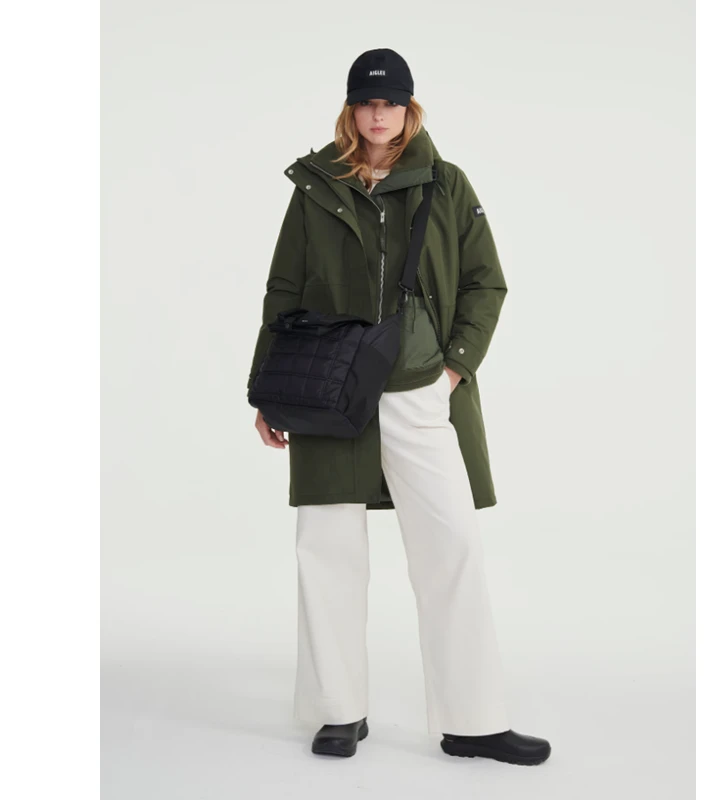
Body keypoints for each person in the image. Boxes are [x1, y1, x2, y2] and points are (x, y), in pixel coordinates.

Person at [248, 48, 551, 766]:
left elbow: (485, 282)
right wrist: (267, 386)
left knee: (451, 546)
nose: (377, 114)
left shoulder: (447, 183)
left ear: (409, 108)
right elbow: (283, 287)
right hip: (328, 390)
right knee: (327, 549)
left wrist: (453, 369)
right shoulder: (317, 185)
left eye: (390, 102)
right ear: (351, 108)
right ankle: (338, 712)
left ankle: (473, 720)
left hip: (418, 387)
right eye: (366, 101)